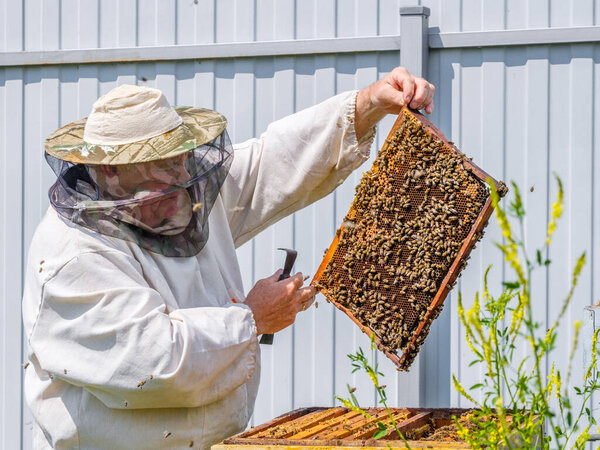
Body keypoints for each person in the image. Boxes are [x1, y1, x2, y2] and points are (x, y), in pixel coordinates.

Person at [22, 67, 435, 449]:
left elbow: (273, 161)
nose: (183, 178)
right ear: (110, 172)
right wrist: (252, 318)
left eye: (182, 158)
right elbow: (154, 363)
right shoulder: (73, 257)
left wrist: (368, 105)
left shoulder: (184, 194)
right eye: (163, 165)